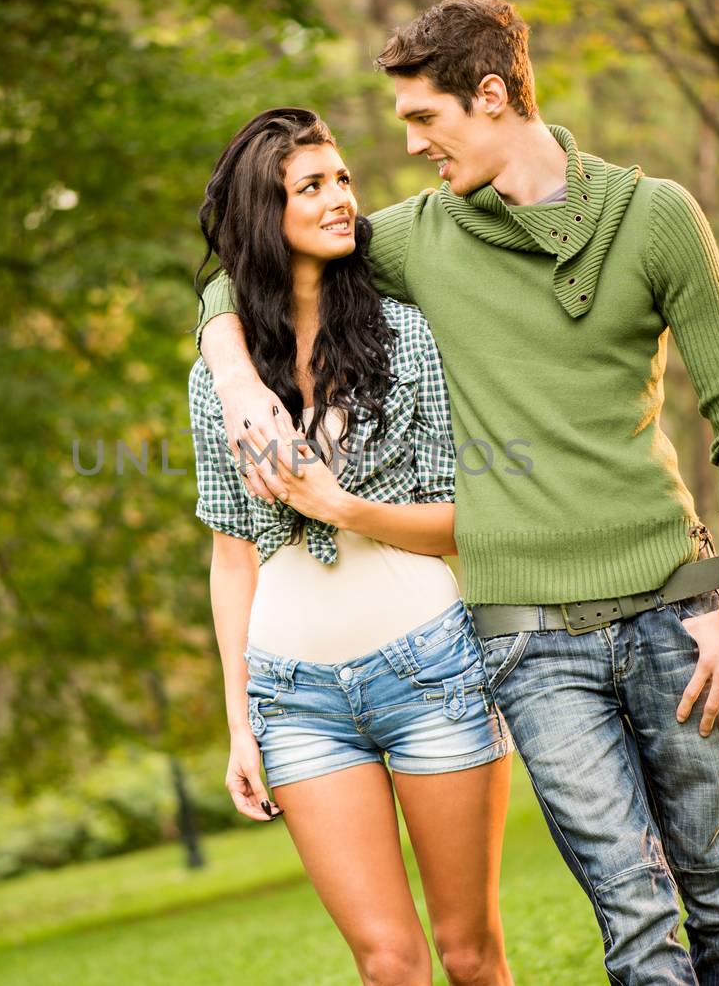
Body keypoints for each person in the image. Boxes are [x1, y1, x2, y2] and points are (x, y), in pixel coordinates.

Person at [195, 0, 719, 985]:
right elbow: (251, 257)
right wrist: (235, 373)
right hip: (525, 636)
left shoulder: (657, 217)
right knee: (634, 926)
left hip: (672, 604)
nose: (412, 146)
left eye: (424, 118)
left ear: (493, 96)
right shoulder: (420, 238)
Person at [188, 107, 516, 986]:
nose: (344, 200)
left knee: (469, 954)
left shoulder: (404, 337)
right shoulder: (219, 380)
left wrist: (342, 506)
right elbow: (231, 557)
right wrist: (239, 723)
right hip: (294, 699)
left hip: (430, 671)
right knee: (387, 965)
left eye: (342, 180)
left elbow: (461, 521)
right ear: (267, 215)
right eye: (313, 186)